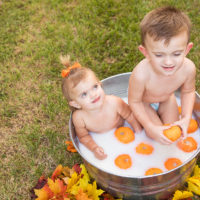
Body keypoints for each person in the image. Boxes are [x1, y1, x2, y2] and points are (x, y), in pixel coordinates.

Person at [128, 6, 196, 144]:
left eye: (176, 54)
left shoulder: (188, 69)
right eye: (159, 55)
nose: (168, 62)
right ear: (145, 52)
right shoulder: (141, 74)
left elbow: (188, 91)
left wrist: (186, 117)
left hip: (167, 99)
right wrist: (149, 126)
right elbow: (134, 101)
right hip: (144, 103)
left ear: (187, 49)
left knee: (175, 133)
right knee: (157, 135)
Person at [61, 55, 141, 160]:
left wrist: (139, 134)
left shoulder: (114, 102)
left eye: (95, 87)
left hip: (124, 130)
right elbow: (83, 137)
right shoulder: (79, 118)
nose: (93, 95)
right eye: (84, 94)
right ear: (76, 104)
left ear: (100, 84)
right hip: (103, 140)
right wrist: (94, 148)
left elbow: (131, 115)